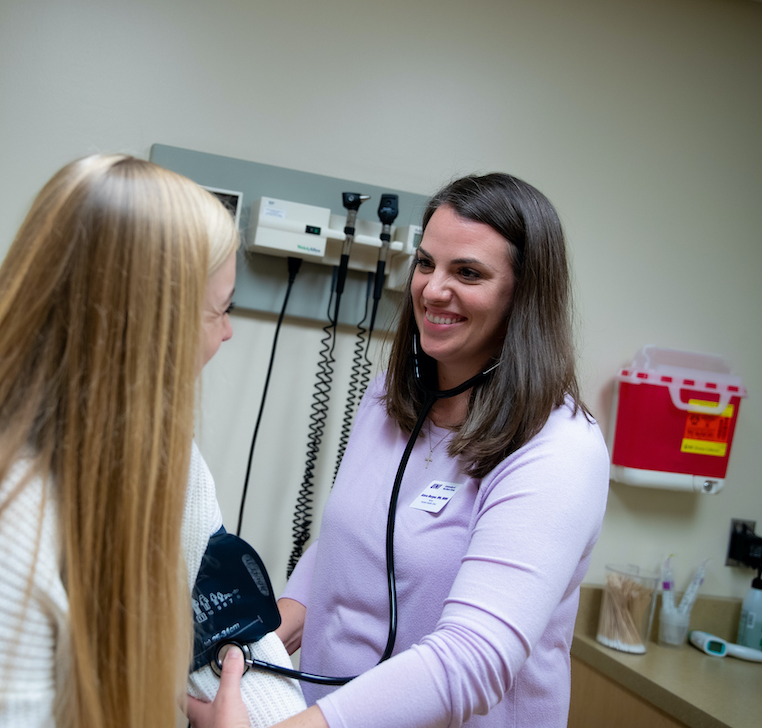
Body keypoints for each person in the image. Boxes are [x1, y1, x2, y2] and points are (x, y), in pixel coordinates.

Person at [0, 153, 302, 728]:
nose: (229, 332)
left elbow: (218, 622)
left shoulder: (169, 462)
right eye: (222, 310)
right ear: (150, 329)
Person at [198, 172, 610, 728]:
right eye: (425, 263)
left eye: (467, 272)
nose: (433, 289)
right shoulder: (391, 396)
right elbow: (343, 548)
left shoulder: (558, 450)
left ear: (524, 297)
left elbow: (473, 661)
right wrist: (251, 656)